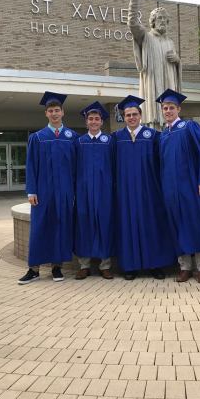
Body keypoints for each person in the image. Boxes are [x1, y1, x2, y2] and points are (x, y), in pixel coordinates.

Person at [157, 88, 200, 284]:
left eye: (171, 107)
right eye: (165, 108)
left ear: (179, 108)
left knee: (199, 224)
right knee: (178, 226)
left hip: (193, 188)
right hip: (171, 190)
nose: (168, 111)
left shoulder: (190, 128)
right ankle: (185, 267)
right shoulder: (163, 135)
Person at [18, 91, 78, 284]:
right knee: (40, 227)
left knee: (61, 227)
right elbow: (31, 165)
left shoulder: (72, 137)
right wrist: (31, 190)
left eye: (57, 110)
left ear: (63, 112)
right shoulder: (38, 137)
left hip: (66, 192)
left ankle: (56, 267)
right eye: (50, 111)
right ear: (46, 114)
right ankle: (34, 269)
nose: (54, 113)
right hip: (43, 192)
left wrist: (76, 192)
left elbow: (78, 168)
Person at [113, 95, 175, 280]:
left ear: (140, 115)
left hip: (149, 190)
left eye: (134, 114)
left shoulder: (153, 136)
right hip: (125, 193)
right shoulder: (116, 138)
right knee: (127, 226)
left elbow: (163, 163)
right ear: (124, 117)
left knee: (151, 225)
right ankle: (130, 267)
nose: (131, 117)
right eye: (127, 115)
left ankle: (155, 265)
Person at [128, 0, 182, 126]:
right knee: (153, 120)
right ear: (153, 21)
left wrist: (177, 61)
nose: (163, 21)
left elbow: (176, 67)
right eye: (159, 18)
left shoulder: (170, 42)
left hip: (168, 85)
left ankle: (169, 122)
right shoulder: (146, 37)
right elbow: (132, 24)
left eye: (165, 19)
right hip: (152, 86)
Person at [74, 101, 115, 280]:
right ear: (86, 122)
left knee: (104, 224)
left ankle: (105, 265)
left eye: (96, 119)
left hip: (105, 191)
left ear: (101, 121)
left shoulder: (109, 141)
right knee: (84, 225)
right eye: (90, 119)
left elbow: (115, 166)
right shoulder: (79, 142)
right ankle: (84, 265)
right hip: (84, 192)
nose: (93, 121)